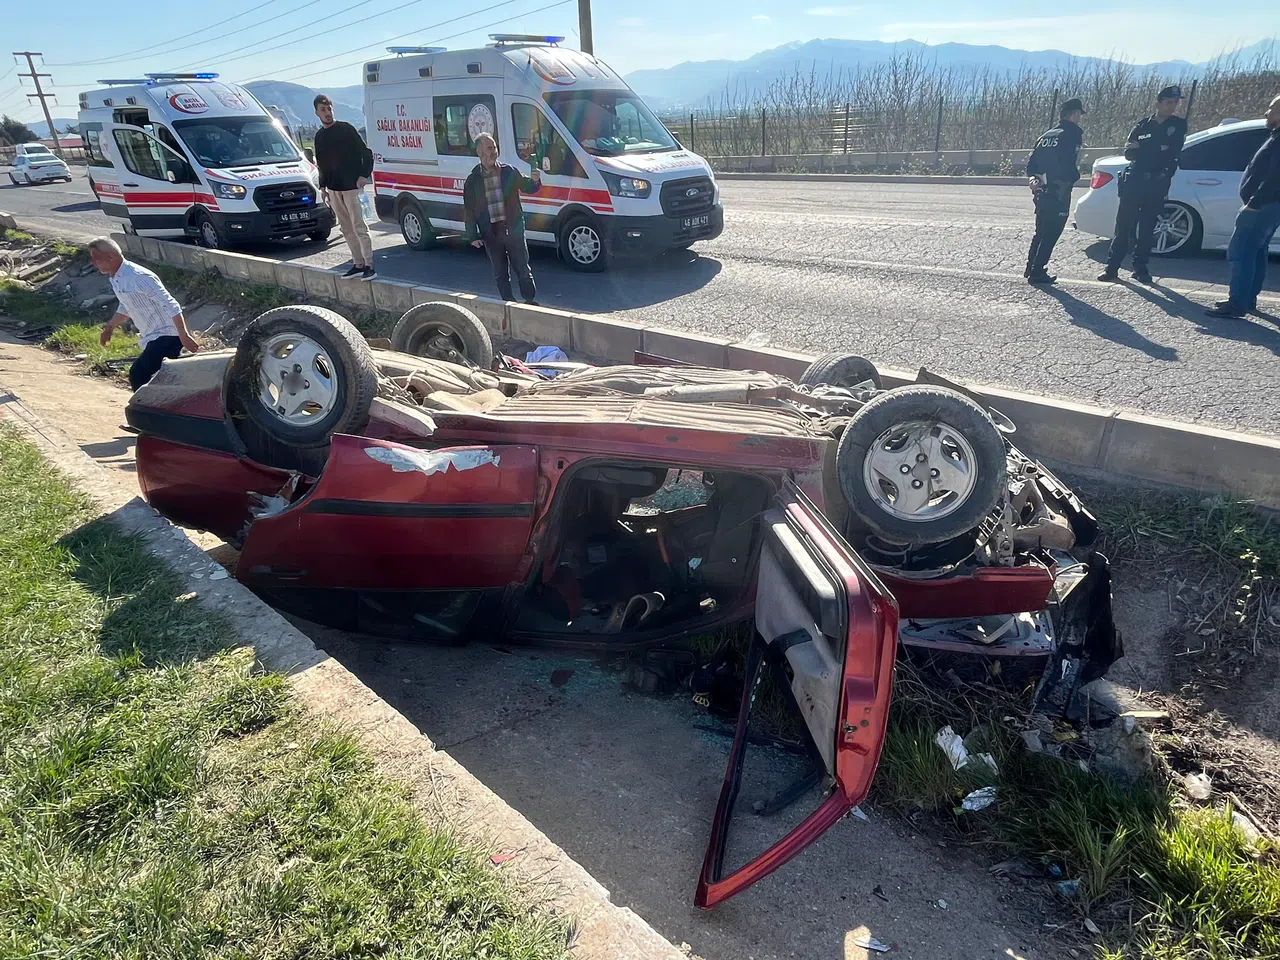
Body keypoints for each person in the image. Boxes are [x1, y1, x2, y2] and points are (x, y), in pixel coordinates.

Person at [1098, 86, 1188, 285]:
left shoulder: (1178, 125)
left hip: (1157, 182)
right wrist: (1156, 148)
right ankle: (1112, 268)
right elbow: (1129, 153)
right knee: (1123, 226)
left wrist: (1145, 147)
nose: (1172, 106)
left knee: (1147, 228)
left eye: (1175, 103)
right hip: (1135, 181)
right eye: (1168, 102)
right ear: (1158, 103)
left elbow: (1172, 152)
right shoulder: (1142, 125)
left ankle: (1140, 268)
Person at [89, 237, 199, 390]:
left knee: (138, 374)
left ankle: (148, 410)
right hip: (152, 337)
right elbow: (126, 306)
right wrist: (109, 328)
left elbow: (170, 303)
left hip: (167, 335)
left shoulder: (138, 276)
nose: (93, 263)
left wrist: (183, 334)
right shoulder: (116, 278)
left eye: (96, 259)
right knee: (164, 379)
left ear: (110, 257)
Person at [1206, 95, 1280, 319]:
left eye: (1271, 109)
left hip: (1262, 207)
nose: (1267, 113)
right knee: (1257, 251)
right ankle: (1247, 299)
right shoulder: (1275, 136)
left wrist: (1253, 203)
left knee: (1241, 253)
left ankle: (1237, 303)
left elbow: (1275, 177)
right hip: (1269, 206)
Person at [463, 132, 542, 304]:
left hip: (513, 228)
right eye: (489, 148)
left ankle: (530, 301)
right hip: (491, 233)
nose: (494, 152)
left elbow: (529, 187)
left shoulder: (509, 172)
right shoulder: (472, 181)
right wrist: (472, 235)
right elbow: (469, 210)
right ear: (480, 152)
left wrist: (536, 181)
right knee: (500, 271)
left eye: (495, 148)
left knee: (522, 268)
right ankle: (508, 303)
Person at [313, 93, 376, 280]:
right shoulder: (319, 136)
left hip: (351, 187)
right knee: (346, 229)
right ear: (317, 113)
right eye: (323, 110)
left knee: (359, 227)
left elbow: (367, 153)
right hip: (333, 189)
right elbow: (322, 164)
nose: (327, 113)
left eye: (329, 108)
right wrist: (323, 187)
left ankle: (369, 265)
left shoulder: (346, 129)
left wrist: (364, 175)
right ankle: (357, 263)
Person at [1024, 98, 1086, 285]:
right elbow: (1067, 163)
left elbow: (1031, 165)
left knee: (1041, 231)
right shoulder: (1071, 133)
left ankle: (1030, 267)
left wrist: (1035, 180)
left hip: (1041, 189)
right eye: (1079, 115)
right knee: (1052, 233)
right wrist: (1073, 178)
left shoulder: (1046, 135)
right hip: (1059, 190)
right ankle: (1037, 272)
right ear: (1075, 114)